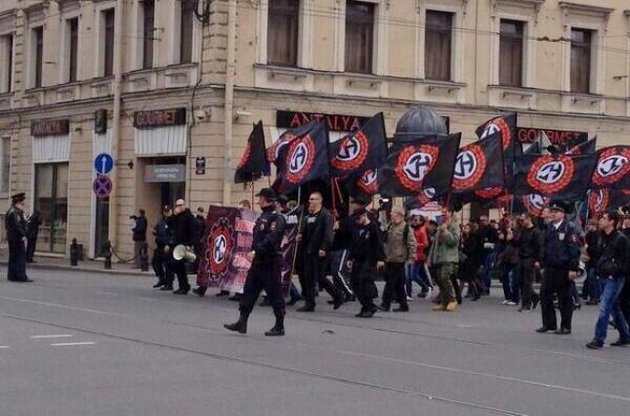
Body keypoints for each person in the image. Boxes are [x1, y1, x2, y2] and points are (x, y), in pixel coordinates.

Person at [224, 188, 287, 336]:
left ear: (266, 200)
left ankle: (279, 326)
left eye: (261, 199)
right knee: (249, 291)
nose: (259, 201)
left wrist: (255, 251)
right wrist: (252, 251)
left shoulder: (277, 218)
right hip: (258, 262)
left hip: (270, 261)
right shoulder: (262, 217)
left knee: (275, 294)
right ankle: (242, 322)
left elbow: (271, 239)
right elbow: (257, 238)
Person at [536, 200, 581, 335]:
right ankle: (549, 324)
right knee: (544, 295)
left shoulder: (569, 228)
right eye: (552, 211)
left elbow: (574, 249)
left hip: (563, 268)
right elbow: (544, 248)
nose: (553, 214)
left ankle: (566, 326)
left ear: (562, 214)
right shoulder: (549, 228)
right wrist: (542, 264)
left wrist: (573, 268)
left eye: (556, 212)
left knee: (564, 298)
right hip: (549, 267)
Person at [585, 211, 629, 349]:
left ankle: (599, 338)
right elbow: (598, 254)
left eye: (604, 218)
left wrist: (615, 273)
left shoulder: (620, 239)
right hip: (602, 274)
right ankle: (625, 335)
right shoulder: (601, 236)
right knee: (614, 306)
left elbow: (625, 261)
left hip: (614, 277)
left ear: (612, 221)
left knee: (604, 307)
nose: (601, 221)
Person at [296, 192, 343, 312]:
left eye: (313, 199)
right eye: (310, 199)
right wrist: (300, 235)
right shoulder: (308, 216)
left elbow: (328, 234)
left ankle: (338, 295)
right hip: (308, 250)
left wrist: (324, 248)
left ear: (319, 201)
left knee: (320, 277)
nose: (310, 201)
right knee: (308, 277)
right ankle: (310, 302)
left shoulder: (325, 215)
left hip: (319, 250)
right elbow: (305, 230)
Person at [347, 207, 385, 318]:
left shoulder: (373, 227)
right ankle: (364, 305)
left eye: (358, 219)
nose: (357, 221)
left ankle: (370, 306)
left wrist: (380, 259)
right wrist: (350, 258)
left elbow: (379, 243)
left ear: (364, 216)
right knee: (355, 283)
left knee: (364, 281)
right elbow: (353, 244)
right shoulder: (356, 228)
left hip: (370, 259)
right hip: (358, 258)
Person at [379, 207, 416, 312]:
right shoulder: (391, 226)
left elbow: (412, 244)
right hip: (389, 258)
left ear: (398, 214)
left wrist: (411, 258)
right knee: (398, 283)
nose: (391, 214)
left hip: (399, 259)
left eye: (392, 213)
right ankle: (403, 305)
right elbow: (386, 240)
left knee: (390, 282)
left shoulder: (406, 228)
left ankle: (385, 303)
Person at [427, 208, 460, 312]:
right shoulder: (441, 224)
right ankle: (444, 302)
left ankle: (452, 299)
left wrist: (445, 231)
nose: (443, 214)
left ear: (451, 213)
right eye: (442, 212)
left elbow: (454, 241)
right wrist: (430, 257)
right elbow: (435, 244)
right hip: (439, 257)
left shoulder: (454, 225)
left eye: (445, 212)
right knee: (439, 279)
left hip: (449, 257)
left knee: (445, 277)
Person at [512, 213, 543, 312]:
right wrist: (511, 238)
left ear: (529, 219)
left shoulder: (536, 232)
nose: (521, 222)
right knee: (520, 281)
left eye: (523, 220)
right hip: (521, 258)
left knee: (527, 282)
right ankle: (534, 296)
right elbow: (518, 243)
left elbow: (539, 247)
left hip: (530, 259)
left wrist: (538, 260)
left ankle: (526, 304)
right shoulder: (523, 231)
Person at [168, 199, 196, 295]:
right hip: (177, 244)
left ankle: (184, 286)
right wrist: (174, 215)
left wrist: (190, 244)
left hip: (185, 244)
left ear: (184, 205)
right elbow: (170, 224)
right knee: (177, 266)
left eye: (180, 205)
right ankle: (183, 285)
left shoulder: (189, 217)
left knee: (180, 265)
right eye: (177, 205)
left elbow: (192, 231)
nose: (178, 207)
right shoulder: (177, 216)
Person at [5, 192, 31, 282]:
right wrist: (23, 235)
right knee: (20, 257)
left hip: (13, 238)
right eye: (22, 204)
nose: (23, 206)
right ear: (17, 203)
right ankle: (21, 276)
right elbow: (17, 226)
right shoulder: (14, 213)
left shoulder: (13, 211)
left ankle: (12, 275)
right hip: (17, 238)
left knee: (14, 257)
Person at [407, 215, 433, 299]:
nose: (414, 222)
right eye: (413, 220)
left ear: (420, 222)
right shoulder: (415, 229)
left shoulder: (421, 230)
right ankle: (425, 288)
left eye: (416, 220)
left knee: (413, 275)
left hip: (418, 256)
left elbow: (426, 244)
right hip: (415, 255)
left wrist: (416, 244)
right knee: (414, 275)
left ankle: (426, 287)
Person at [459, 222, 483, 301]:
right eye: (465, 228)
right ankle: (460, 293)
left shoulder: (472, 238)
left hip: (470, 261)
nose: (465, 230)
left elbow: (471, 250)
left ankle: (476, 292)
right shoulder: (465, 237)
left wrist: (463, 247)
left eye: (467, 228)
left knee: (470, 278)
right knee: (465, 278)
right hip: (465, 261)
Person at [152, 205, 174, 289]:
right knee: (155, 262)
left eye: (168, 211)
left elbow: (174, 234)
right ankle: (161, 279)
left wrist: (169, 244)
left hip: (168, 246)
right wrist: (154, 232)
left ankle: (169, 283)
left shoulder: (173, 221)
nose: (166, 213)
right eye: (165, 211)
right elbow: (157, 230)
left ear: (171, 211)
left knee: (168, 265)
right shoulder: (161, 221)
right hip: (160, 245)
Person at [478, 215, 498, 295]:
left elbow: (495, 241)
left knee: (487, 271)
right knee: (482, 271)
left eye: (484, 220)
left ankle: (486, 288)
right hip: (482, 252)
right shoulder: (480, 229)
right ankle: (482, 287)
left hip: (489, 251)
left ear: (487, 220)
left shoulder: (492, 230)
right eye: (481, 221)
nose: (482, 222)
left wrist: (486, 244)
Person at [583, 218, 601, 305]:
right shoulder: (588, 235)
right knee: (589, 278)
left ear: (594, 226)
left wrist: (588, 247)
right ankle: (588, 294)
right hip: (589, 259)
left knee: (591, 277)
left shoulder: (598, 235)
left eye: (590, 225)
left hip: (595, 260)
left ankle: (594, 297)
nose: (588, 226)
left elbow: (597, 248)